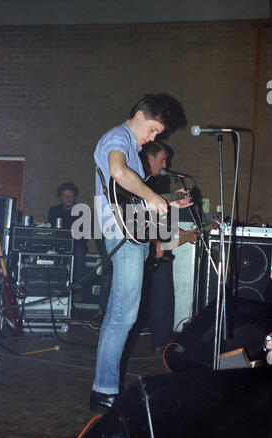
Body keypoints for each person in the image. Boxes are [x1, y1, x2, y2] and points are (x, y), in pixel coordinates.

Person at [90, 94, 193, 414]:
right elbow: (118, 173)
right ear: (137, 115)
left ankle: (104, 389)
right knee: (122, 315)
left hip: (130, 233)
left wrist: (166, 203)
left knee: (123, 314)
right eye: (152, 130)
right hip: (120, 235)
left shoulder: (133, 150)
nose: (153, 138)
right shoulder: (116, 138)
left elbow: (130, 202)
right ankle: (104, 391)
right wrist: (151, 195)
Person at [139, 141, 197, 352]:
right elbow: (134, 218)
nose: (166, 163)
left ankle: (161, 341)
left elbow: (163, 220)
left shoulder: (158, 184)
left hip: (159, 246)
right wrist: (155, 242)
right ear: (150, 159)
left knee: (164, 295)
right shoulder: (140, 182)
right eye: (163, 159)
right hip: (142, 246)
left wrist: (184, 234)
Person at [48, 182, 87, 289]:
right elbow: (52, 231)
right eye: (66, 196)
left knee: (79, 249)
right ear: (60, 197)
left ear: (74, 197)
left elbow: (84, 234)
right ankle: (54, 284)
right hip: (58, 243)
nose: (69, 198)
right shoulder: (54, 211)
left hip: (76, 242)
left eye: (71, 196)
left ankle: (78, 285)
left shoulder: (81, 211)